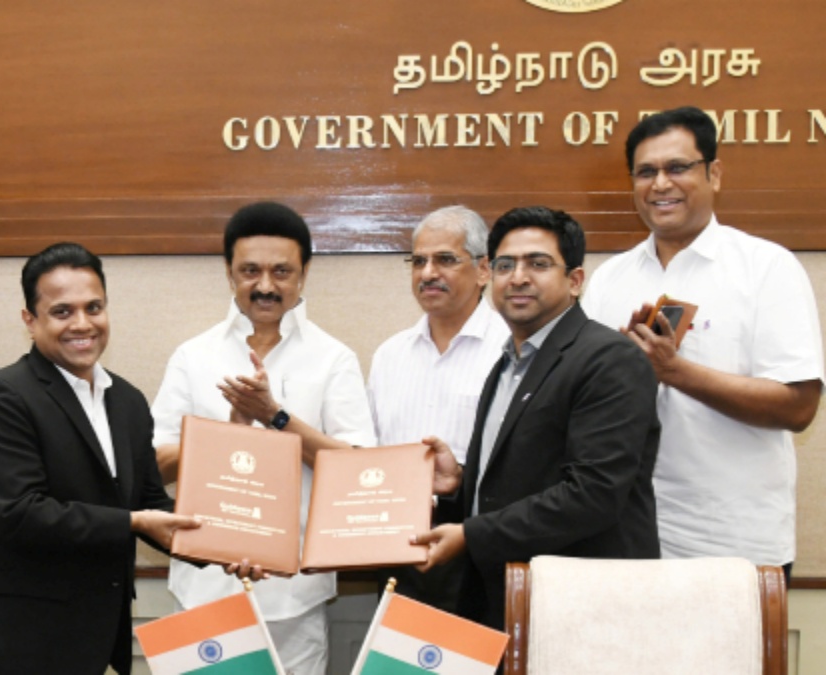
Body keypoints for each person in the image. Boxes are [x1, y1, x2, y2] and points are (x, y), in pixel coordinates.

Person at [582, 106, 824, 575]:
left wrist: (674, 372)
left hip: (733, 542)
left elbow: (798, 407)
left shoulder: (765, 267)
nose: (660, 184)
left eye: (677, 167)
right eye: (646, 172)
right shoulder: (610, 278)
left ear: (713, 174)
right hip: (624, 536)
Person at [0, 242, 201, 675]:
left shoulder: (129, 401)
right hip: (14, 643)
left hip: (92, 637)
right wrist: (133, 522)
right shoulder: (1, 395)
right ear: (30, 320)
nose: (82, 324)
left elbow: (151, 502)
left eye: (93, 308)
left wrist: (225, 546)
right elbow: (19, 513)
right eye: (62, 312)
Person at [151, 201, 376, 674]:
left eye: (281, 271)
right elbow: (154, 464)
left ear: (304, 274)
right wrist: (230, 435)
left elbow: (357, 471)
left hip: (293, 598)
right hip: (203, 590)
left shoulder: (334, 359)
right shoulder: (193, 356)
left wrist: (275, 418)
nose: (266, 286)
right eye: (250, 271)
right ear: (229, 272)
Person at [412, 206, 661, 630]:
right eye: (505, 265)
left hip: (583, 607)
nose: (518, 277)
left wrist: (471, 535)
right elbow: (523, 477)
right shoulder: (507, 364)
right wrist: (460, 484)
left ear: (575, 280)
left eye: (538, 264)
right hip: (509, 597)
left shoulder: (609, 359)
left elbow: (594, 494)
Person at [367, 205, 508, 612]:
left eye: (445, 259)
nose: (428, 273)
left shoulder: (511, 349)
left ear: (483, 270)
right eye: (418, 261)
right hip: (397, 549)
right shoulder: (390, 355)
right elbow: (368, 457)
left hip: (481, 550)